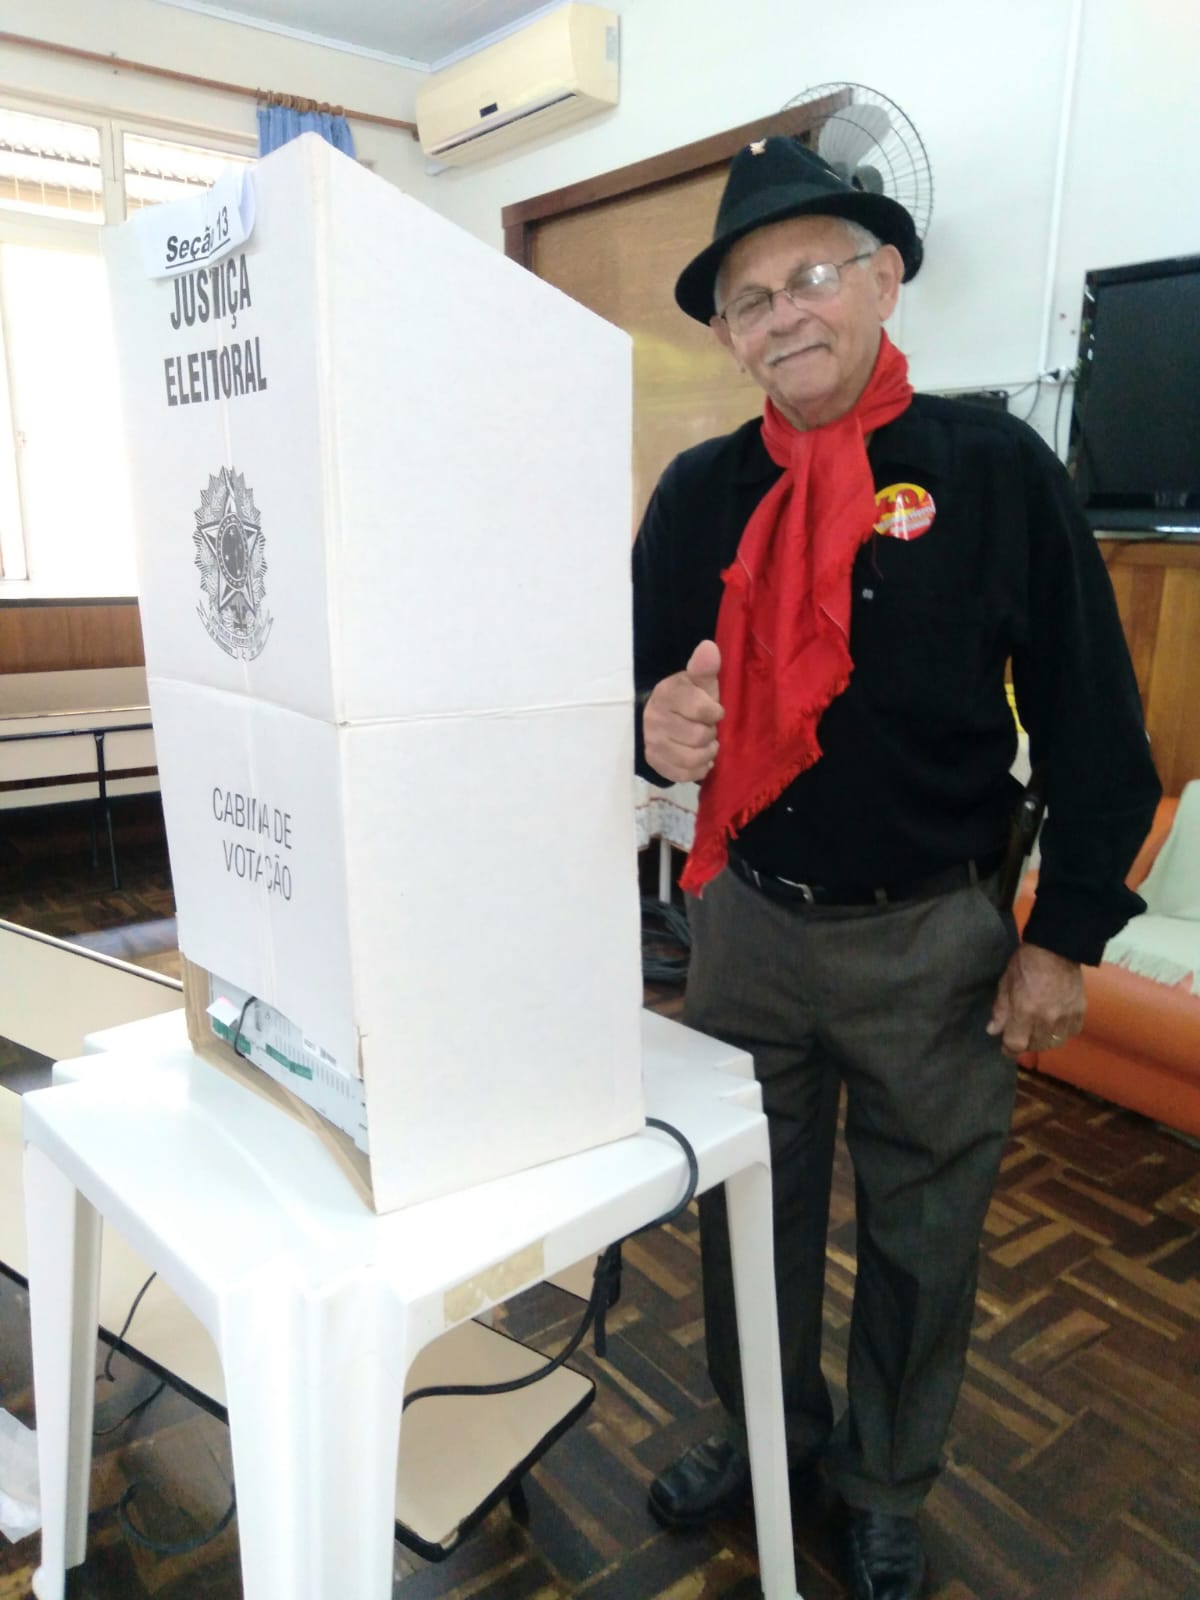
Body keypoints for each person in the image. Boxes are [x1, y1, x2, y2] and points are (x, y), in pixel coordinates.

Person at [633, 136, 1160, 1600]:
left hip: (937, 937)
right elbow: (628, 688)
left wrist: (1065, 938)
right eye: (749, 300)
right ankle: (767, 1437)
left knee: (925, 1237)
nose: (783, 315)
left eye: (809, 275)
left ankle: (882, 1485)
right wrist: (648, 722)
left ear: (883, 279)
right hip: (745, 925)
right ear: (729, 336)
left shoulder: (994, 471)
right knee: (748, 1215)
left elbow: (1095, 725)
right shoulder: (698, 493)